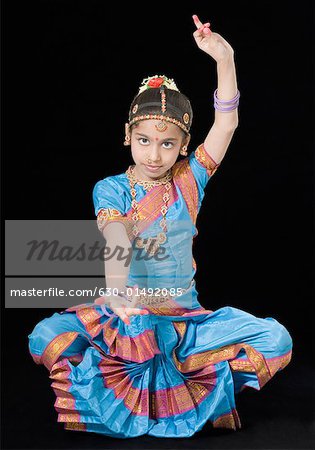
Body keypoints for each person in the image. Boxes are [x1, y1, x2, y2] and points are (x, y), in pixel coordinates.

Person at [28, 15, 293, 438]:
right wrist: (116, 295)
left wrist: (225, 59)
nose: (154, 154)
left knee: (276, 339)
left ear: (184, 145)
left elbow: (226, 124)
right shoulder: (112, 189)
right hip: (126, 313)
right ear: (128, 137)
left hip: (183, 319)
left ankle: (197, 375)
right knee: (45, 336)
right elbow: (117, 236)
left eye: (168, 143)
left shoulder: (191, 179)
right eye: (145, 141)